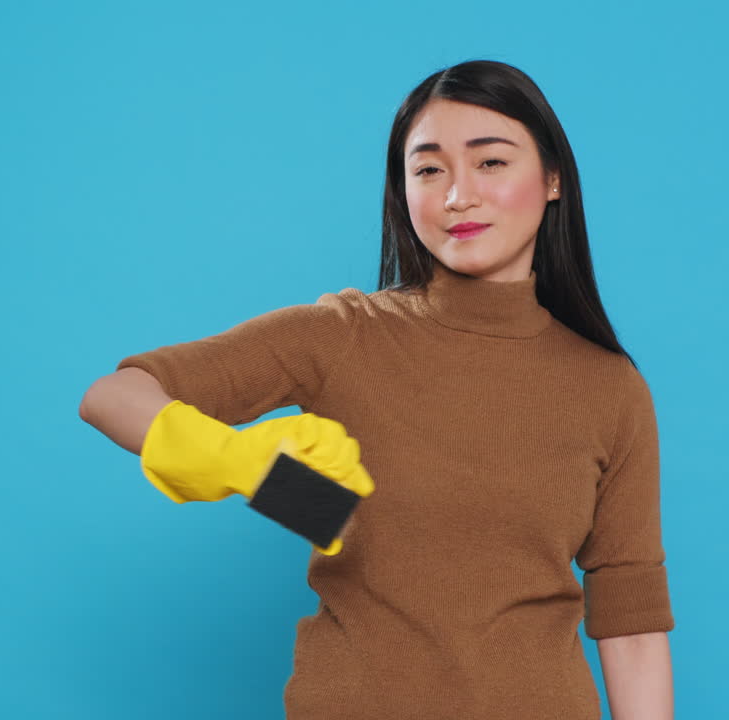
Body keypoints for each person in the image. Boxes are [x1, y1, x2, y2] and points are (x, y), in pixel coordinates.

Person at [81, 59, 675, 720]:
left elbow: (631, 614)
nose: (458, 195)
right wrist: (241, 464)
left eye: (490, 163)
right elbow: (113, 395)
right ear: (402, 190)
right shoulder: (342, 338)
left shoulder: (607, 387)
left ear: (553, 178)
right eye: (428, 169)